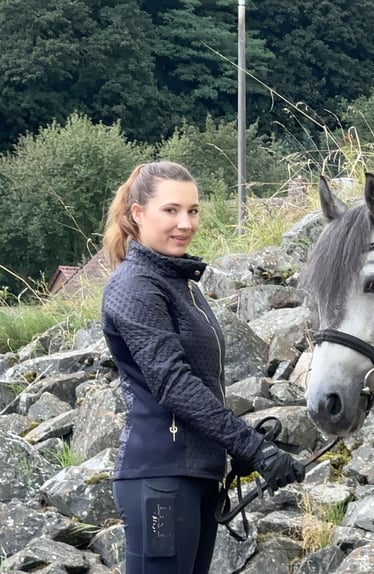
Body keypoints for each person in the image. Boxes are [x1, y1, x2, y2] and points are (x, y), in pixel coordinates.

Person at [101, 161, 304, 574]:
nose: (185, 223)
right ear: (138, 214)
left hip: (196, 474)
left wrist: (235, 450)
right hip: (160, 477)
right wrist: (252, 446)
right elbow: (173, 382)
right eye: (171, 210)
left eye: (192, 211)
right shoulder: (135, 285)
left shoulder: (181, 284)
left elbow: (202, 385)